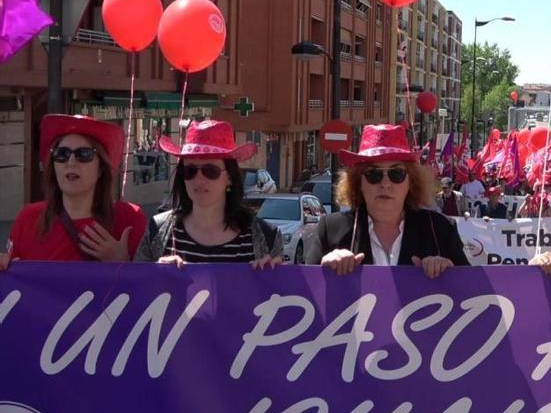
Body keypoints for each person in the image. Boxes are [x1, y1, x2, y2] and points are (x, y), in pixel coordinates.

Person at [304, 124, 469, 277]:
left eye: (396, 174)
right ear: (357, 182)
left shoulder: (441, 229)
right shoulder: (330, 230)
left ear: (411, 182)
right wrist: (322, 270)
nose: (385, 184)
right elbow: (304, 294)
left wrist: (450, 272)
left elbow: (474, 294)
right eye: (373, 174)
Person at [0, 115, 146, 269]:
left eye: (83, 154)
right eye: (62, 154)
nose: (71, 162)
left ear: (101, 168)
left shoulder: (129, 218)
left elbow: (150, 286)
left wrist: (124, 263)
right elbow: (13, 287)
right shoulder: (28, 219)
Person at [134, 120, 283, 269]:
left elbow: (287, 291)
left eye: (210, 171)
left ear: (230, 176)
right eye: (190, 171)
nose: (199, 179)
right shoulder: (156, 231)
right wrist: (153, 274)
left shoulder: (266, 236)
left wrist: (275, 277)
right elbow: (134, 288)